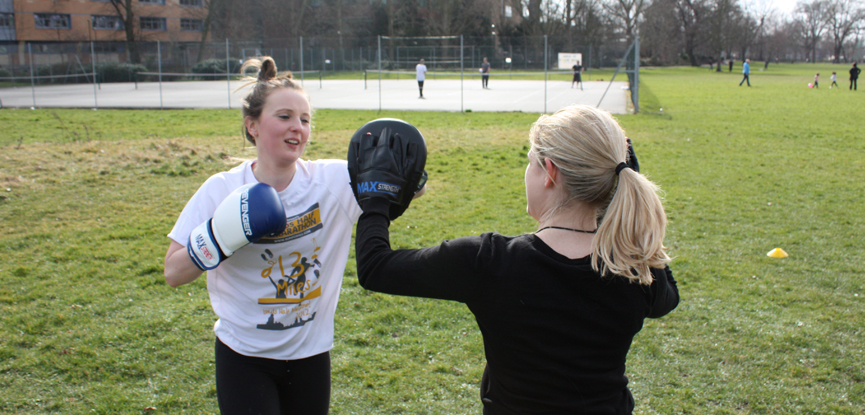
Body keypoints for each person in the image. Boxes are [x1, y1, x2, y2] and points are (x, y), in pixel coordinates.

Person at [353, 105, 680, 414]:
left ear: (549, 172)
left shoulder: (489, 263)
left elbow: (376, 268)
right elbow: (665, 298)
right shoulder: (634, 268)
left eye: (530, 162)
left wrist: (377, 198)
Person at [164, 56, 364, 415]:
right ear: (252, 126)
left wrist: (404, 172)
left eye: (305, 120)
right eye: (284, 116)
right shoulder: (221, 189)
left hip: (311, 354)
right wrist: (218, 237)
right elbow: (173, 273)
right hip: (244, 356)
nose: (298, 128)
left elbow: (397, 190)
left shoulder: (332, 182)